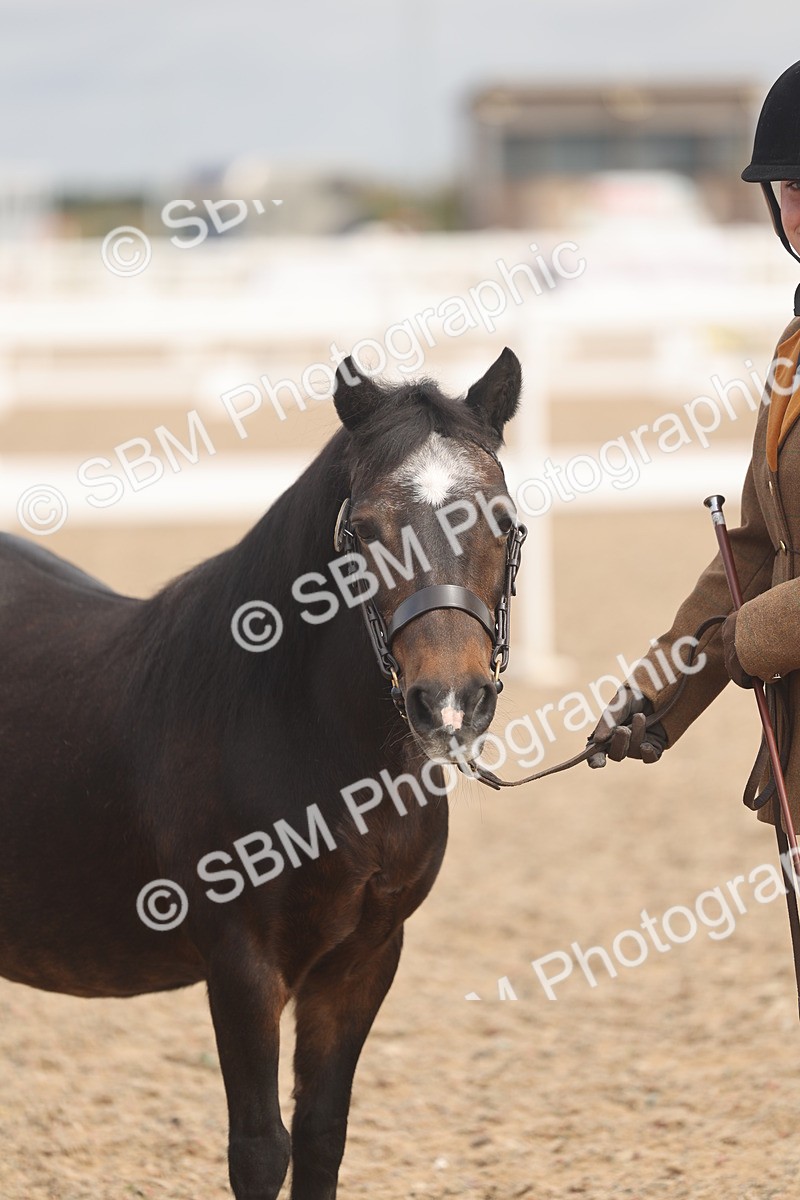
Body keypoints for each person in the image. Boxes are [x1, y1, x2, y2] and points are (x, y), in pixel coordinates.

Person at [588, 59, 800, 839]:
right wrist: (660, 690)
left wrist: (753, 637)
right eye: (789, 192)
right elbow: (751, 545)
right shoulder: (793, 352)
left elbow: (754, 615)